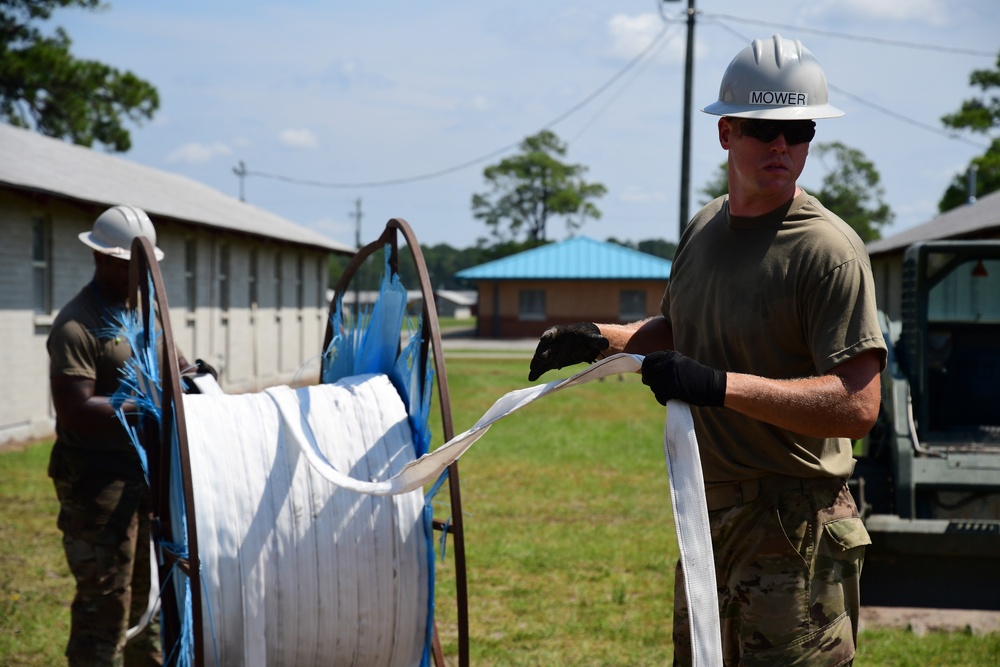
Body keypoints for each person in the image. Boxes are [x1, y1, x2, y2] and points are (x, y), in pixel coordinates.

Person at [528, 34, 886, 666]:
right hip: (707, 514)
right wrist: (598, 340)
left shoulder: (828, 252)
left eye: (798, 129)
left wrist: (719, 386)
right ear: (726, 133)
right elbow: (681, 330)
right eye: (762, 129)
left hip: (796, 525)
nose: (781, 145)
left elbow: (856, 406)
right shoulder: (703, 229)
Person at [48, 204, 168, 666]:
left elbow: (172, 366)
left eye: (146, 266)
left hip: (143, 477)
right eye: (129, 266)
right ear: (101, 259)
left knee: (147, 596)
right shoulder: (77, 325)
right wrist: (147, 408)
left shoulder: (142, 312)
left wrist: (196, 376)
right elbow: (75, 409)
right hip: (95, 485)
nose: (139, 275)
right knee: (105, 605)